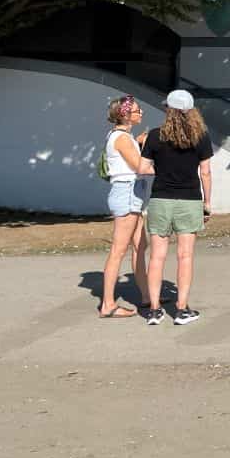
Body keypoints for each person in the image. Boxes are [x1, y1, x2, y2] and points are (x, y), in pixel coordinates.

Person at [137, 90, 213, 325]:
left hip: (161, 199)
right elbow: (206, 172)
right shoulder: (201, 136)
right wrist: (207, 202)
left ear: (167, 110)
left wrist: (162, 169)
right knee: (185, 256)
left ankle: (154, 310)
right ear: (191, 111)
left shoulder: (154, 136)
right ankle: (181, 309)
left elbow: (142, 168)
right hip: (189, 199)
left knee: (157, 256)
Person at [97, 95, 150, 318]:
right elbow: (140, 167)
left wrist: (138, 143)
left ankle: (148, 296)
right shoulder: (122, 139)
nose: (141, 113)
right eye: (137, 110)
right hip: (127, 192)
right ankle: (108, 304)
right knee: (118, 250)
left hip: (131, 192)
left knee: (140, 245)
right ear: (125, 114)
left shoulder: (123, 137)